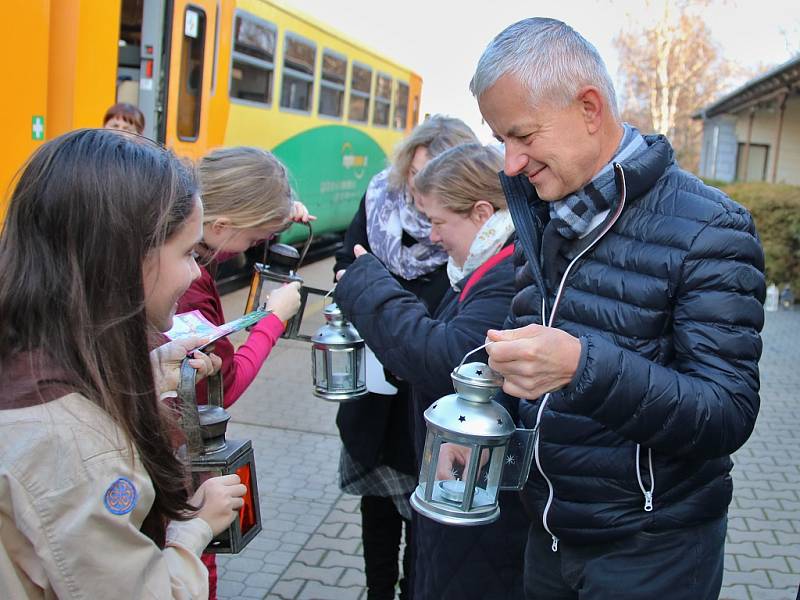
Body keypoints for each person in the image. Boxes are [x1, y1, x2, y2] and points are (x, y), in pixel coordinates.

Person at [467, 18, 765, 600]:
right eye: (501, 139)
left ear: (589, 108)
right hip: (551, 532)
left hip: (653, 550)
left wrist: (583, 368)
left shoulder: (711, 227)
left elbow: (727, 413)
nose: (510, 162)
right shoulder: (546, 213)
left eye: (522, 135)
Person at [0, 128, 247, 598]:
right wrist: (193, 530)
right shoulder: (72, 450)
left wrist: (150, 373)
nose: (197, 272)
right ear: (125, 260)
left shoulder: (28, 354)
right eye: (189, 253)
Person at [335, 143, 527, 600]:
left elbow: (447, 360)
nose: (435, 237)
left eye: (440, 222)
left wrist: (367, 280)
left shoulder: (507, 273)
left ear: (482, 212)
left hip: (478, 497)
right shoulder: (490, 264)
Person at [176, 145, 309, 598]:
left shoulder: (182, 241)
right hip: (181, 466)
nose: (255, 248)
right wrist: (273, 319)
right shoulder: (190, 288)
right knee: (198, 570)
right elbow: (223, 387)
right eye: (255, 239)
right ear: (219, 226)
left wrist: (277, 215)